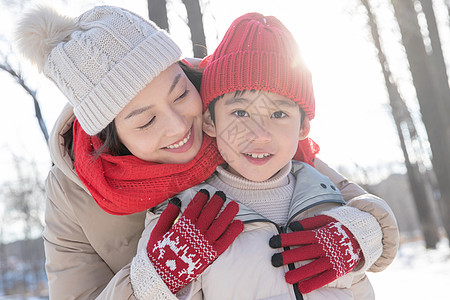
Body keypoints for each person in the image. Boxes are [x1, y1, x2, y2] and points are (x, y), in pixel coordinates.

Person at [15, 5, 398, 300]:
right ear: (111, 137)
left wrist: (362, 234)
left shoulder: (231, 111)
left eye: (180, 93)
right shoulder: (73, 196)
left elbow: (346, 200)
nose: (180, 126)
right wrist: (155, 282)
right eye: (146, 122)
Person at [132, 13, 398, 299]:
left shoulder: (334, 205)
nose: (259, 134)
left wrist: (363, 243)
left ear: (303, 127)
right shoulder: (186, 216)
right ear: (210, 121)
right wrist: (159, 283)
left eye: (279, 114)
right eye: (240, 112)